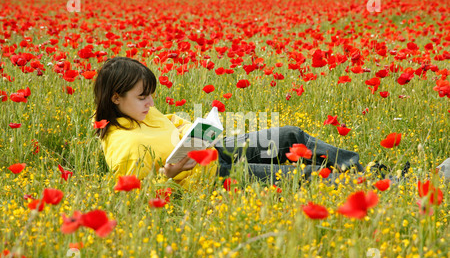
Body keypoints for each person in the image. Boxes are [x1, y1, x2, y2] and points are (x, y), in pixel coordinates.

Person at [93, 57, 368, 191]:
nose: (151, 102)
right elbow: (138, 197)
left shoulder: (139, 112)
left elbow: (171, 121)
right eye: (143, 96)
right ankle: (368, 185)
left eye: (151, 94)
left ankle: (359, 169)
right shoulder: (125, 146)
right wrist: (168, 174)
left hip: (211, 151)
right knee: (299, 176)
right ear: (115, 97)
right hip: (208, 178)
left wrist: (195, 133)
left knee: (290, 136)